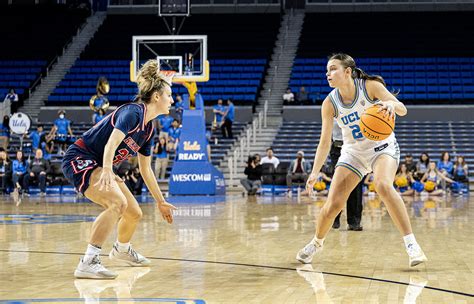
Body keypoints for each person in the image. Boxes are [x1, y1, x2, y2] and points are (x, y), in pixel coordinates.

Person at [297, 53, 427, 268]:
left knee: (383, 185)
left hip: (382, 147)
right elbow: (324, 142)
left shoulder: (370, 87)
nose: (327, 73)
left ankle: (412, 244)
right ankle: (316, 243)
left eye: (332, 69)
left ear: (347, 71)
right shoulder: (329, 103)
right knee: (333, 205)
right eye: (327, 70)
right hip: (353, 153)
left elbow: (403, 109)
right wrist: (314, 172)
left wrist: (392, 106)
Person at [61, 59, 177, 279]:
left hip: (100, 163)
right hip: (80, 157)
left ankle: (121, 250)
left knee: (134, 213)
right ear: (156, 97)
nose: (172, 100)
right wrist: (107, 170)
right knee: (117, 203)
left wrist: (160, 201)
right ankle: (88, 261)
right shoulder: (133, 113)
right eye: (169, 95)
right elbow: (111, 144)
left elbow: (146, 170)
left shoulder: (148, 130)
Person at [330, 120, 364, 230]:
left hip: (355, 149)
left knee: (355, 186)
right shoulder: (333, 106)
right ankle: (333, 218)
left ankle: (354, 222)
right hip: (337, 149)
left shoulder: (360, 106)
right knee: (337, 185)